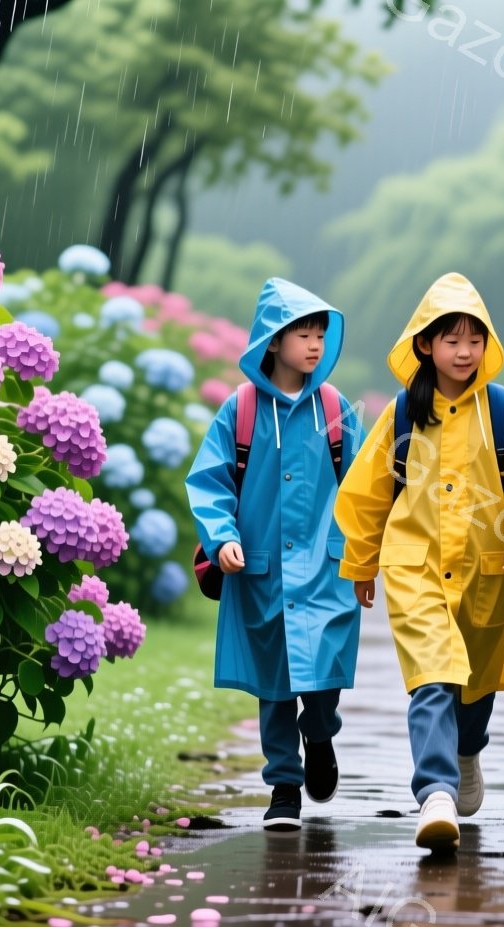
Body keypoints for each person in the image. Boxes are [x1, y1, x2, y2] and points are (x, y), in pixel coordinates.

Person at [333, 272, 504, 852]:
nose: (464, 352)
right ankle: (435, 793)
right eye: (452, 340)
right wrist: (361, 562)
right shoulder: (401, 415)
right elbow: (367, 492)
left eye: (475, 340)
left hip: (487, 570)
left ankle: (467, 751)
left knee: (475, 685)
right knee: (432, 677)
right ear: (425, 344)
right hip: (415, 568)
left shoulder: (500, 411)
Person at [186, 278, 365, 832]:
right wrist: (222, 537)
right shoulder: (240, 410)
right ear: (273, 341)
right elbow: (211, 481)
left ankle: (321, 732)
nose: (314, 345)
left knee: (325, 669)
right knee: (274, 682)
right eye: (302, 334)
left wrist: (367, 554)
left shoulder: (335, 408)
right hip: (261, 569)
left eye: (320, 335)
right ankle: (284, 785)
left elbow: (364, 486)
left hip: (327, 570)